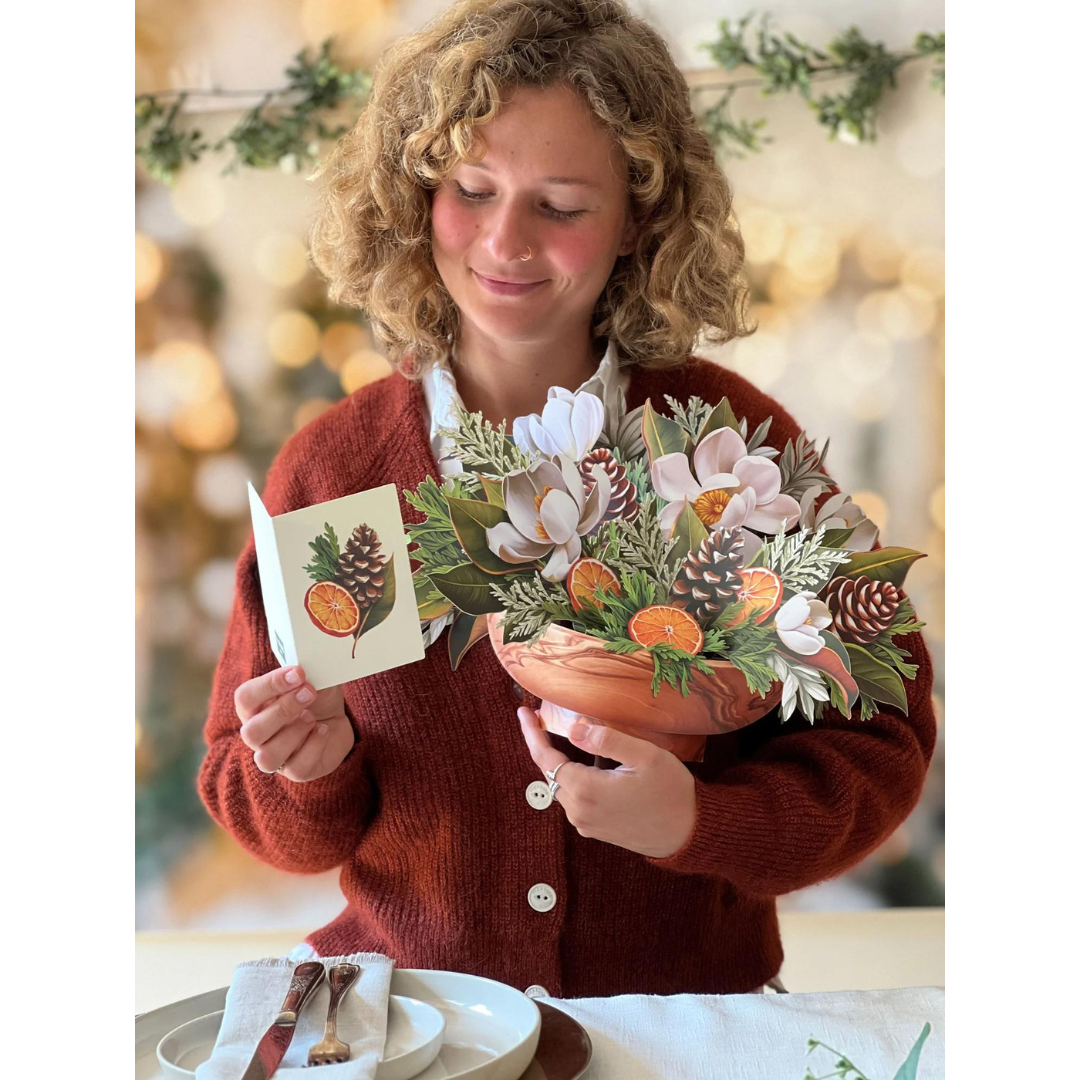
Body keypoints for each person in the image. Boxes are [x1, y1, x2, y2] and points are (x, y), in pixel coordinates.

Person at [198, 0, 936, 999]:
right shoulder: (332, 475)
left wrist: (698, 822)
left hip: (688, 1025)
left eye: (560, 203)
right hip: (421, 1029)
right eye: (471, 187)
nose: (503, 241)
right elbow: (257, 802)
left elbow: (879, 733)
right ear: (417, 191)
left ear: (639, 216)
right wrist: (307, 769)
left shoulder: (734, 450)